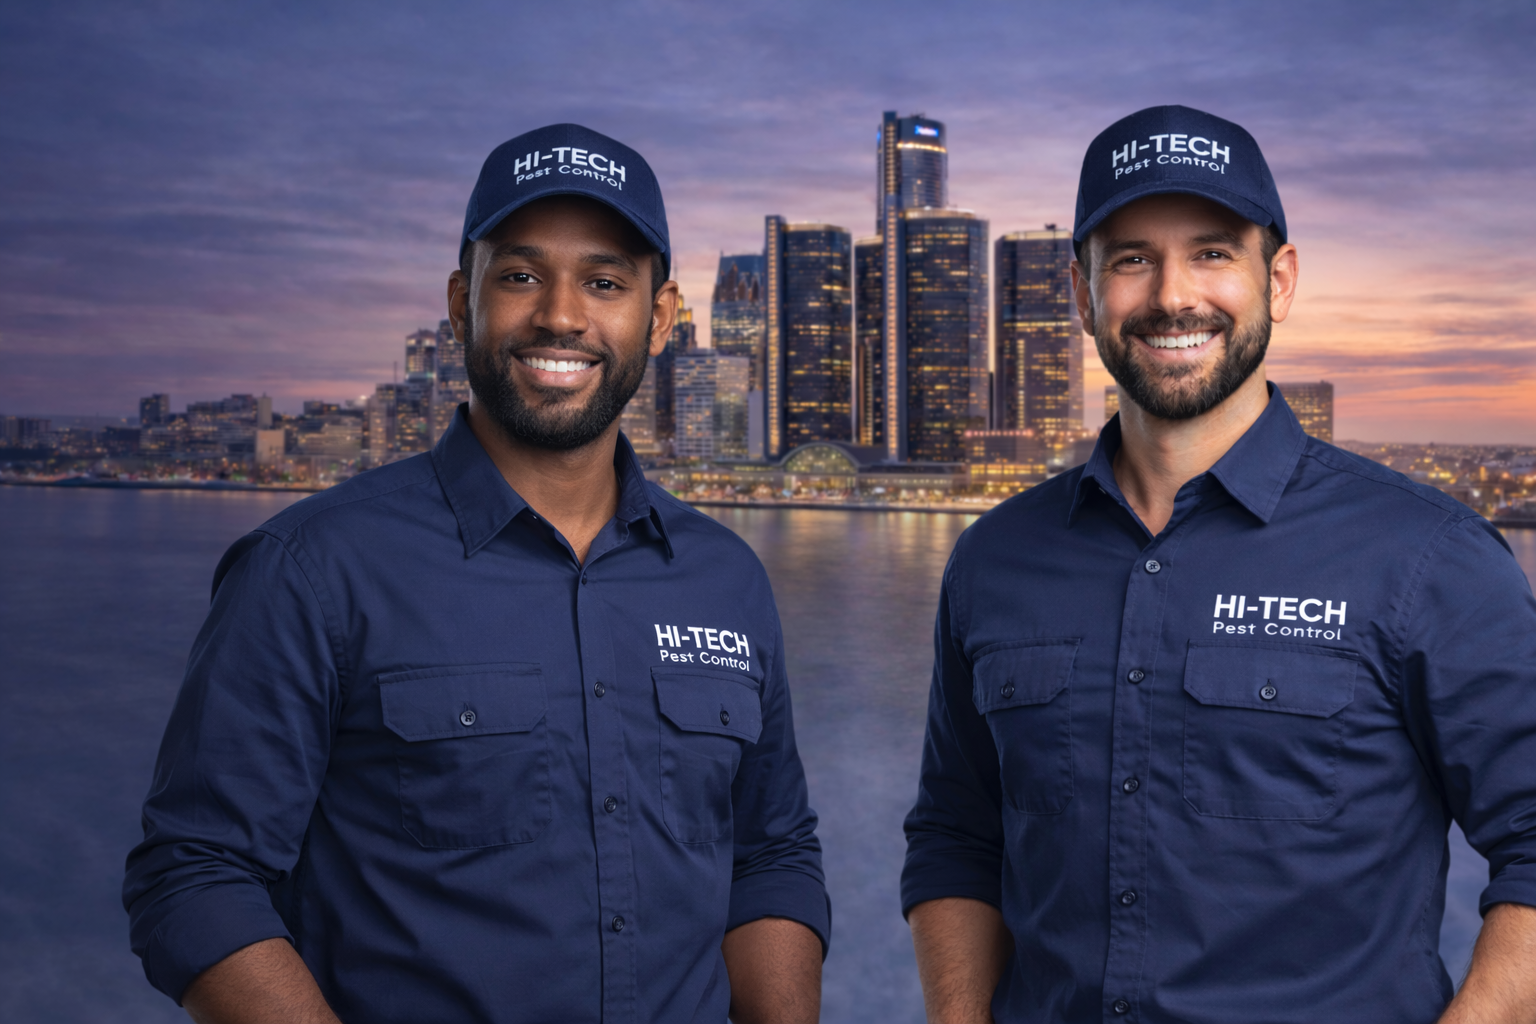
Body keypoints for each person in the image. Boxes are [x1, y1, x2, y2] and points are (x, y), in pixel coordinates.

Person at [123, 123, 828, 1024]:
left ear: (659, 317)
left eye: (605, 282)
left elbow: (769, 854)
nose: (562, 316)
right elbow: (194, 875)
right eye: (521, 275)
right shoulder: (311, 570)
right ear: (463, 302)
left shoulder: (724, 577)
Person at [901, 104, 1536, 1023]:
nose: (1170, 296)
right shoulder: (994, 561)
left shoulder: (1426, 556)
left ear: (1276, 280)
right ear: (1081, 294)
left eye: (1211, 253)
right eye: (1129, 259)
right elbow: (957, 835)